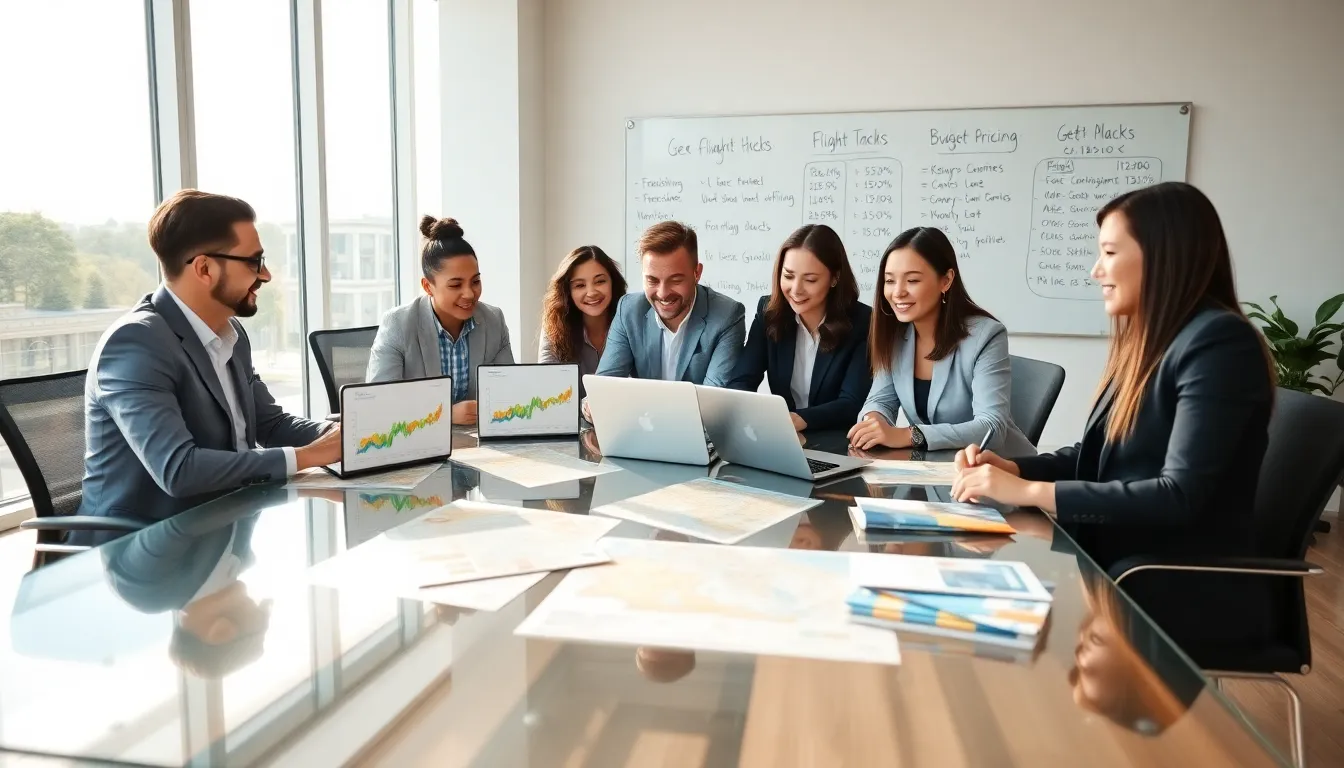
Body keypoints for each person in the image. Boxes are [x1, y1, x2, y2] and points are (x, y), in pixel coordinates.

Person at [951, 181, 1274, 557]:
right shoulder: (1150, 342)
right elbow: (1098, 455)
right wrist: (1015, 470)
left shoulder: (1219, 343)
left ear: (1162, 256)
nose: (1095, 271)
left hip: (1163, 578)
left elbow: (1179, 497)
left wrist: (1027, 492)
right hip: (1115, 553)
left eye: (1108, 252)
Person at [77, 190, 340, 545]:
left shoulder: (231, 332)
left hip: (222, 527)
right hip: (139, 555)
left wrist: (350, 435)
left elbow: (270, 424)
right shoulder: (135, 343)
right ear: (203, 268)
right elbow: (179, 470)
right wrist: (311, 455)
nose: (266, 275)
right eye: (253, 261)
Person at [847, 226, 1033, 455]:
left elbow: (991, 428)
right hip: (934, 471)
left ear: (945, 281)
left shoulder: (986, 335)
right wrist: (873, 422)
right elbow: (880, 400)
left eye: (912, 280)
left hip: (997, 472)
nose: (897, 292)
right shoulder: (894, 334)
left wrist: (909, 434)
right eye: (890, 281)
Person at [366, 216, 514, 424]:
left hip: (478, 445)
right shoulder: (398, 324)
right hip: (416, 442)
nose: (469, 294)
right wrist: (446, 414)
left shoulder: (494, 320)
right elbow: (378, 405)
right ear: (428, 287)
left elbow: (509, 393)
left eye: (476, 281)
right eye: (455, 285)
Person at [727, 224, 872, 431]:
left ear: (835, 278)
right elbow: (741, 381)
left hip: (838, 442)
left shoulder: (863, 322)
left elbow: (851, 403)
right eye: (788, 276)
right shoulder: (769, 312)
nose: (796, 290)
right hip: (783, 438)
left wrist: (799, 419)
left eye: (810, 280)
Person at [591, 220, 745, 387]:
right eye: (652, 280)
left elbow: (714, 396)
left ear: (697, 273)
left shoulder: (727, 316)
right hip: (644, 414)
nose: (663, 293)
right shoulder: (629, 310)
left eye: (676, 280)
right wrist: (591, 403)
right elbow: (605, 384)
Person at [538, 245, 628, 397]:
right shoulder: (554, 327)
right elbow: (548, 389)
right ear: (568, 291)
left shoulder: (630, 321)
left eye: (600, 281)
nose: (591, 292)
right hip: (572, 419)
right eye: (580, 285)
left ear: (613, 282)